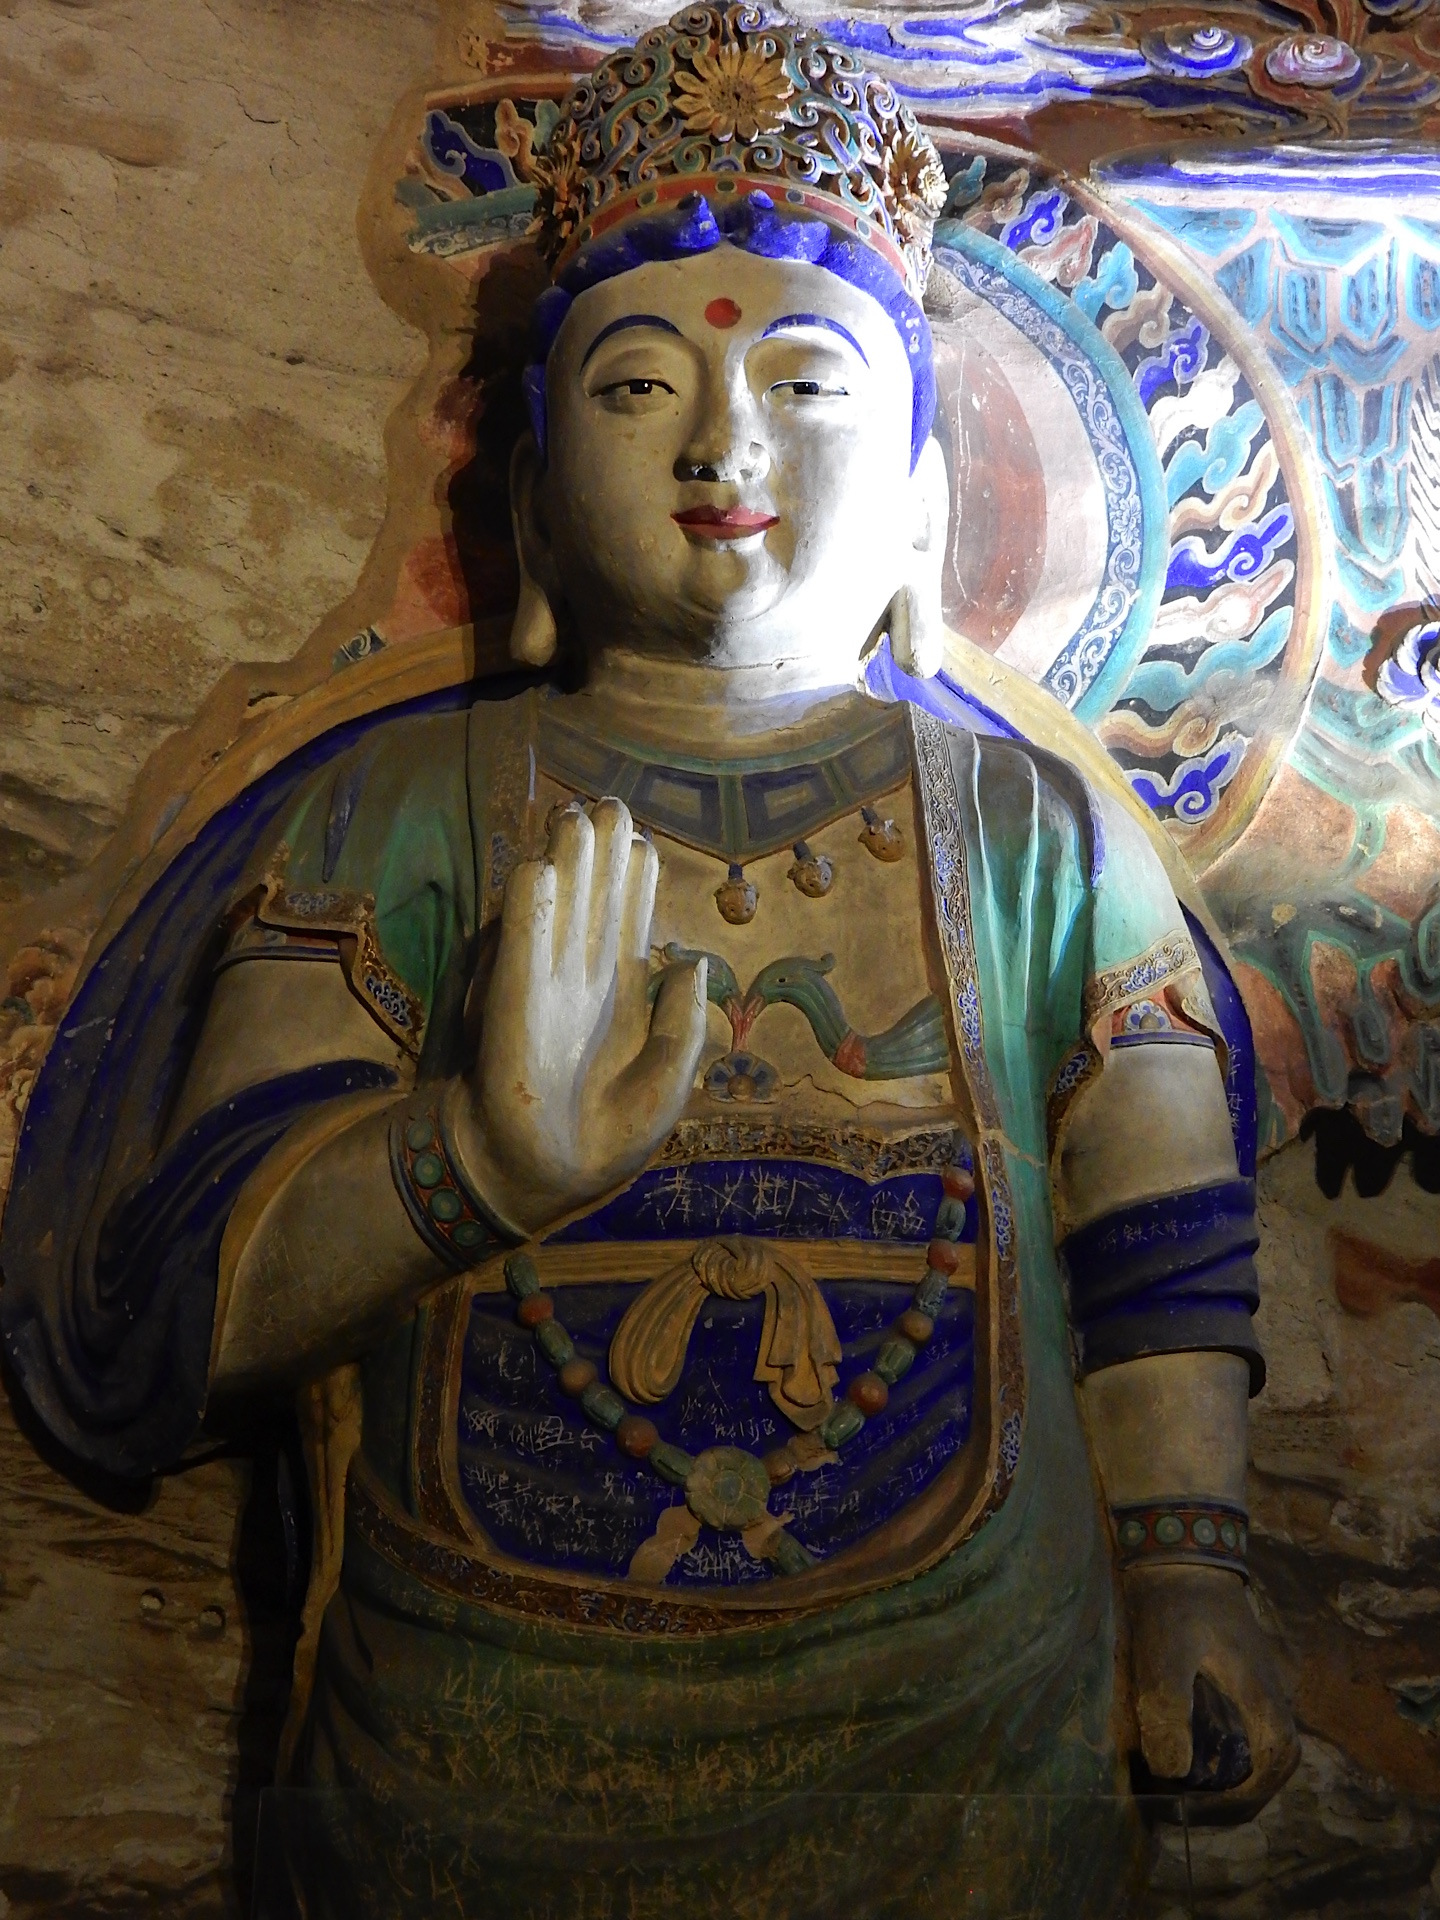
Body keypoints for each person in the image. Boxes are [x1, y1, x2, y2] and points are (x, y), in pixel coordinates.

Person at [2, 9, 1295, 1914]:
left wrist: (1188, 1569)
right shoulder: (401, 817)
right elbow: (199, 1300)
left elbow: (1154, 1233)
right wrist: (464, 1165)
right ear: (532, 510)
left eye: (808, 381)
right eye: (632, 388)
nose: (723, 444)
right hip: (466, 1759)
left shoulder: (1038, 837)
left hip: (966, 1744)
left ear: (925, 509)